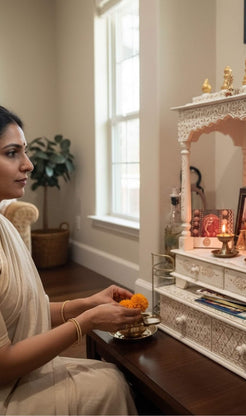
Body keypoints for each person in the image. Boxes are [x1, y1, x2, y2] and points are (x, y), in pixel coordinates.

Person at [0, 106, 140, 415]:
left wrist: (87, 304)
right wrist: (86, 322)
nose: (29, 164)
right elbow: (3, 365)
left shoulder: (3, 225)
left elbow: (23, 311)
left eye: (24, 152)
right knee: (111, 383)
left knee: (109, 375)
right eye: (12, 153)